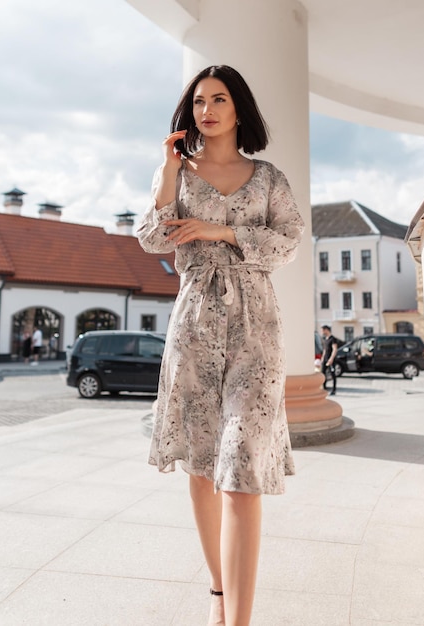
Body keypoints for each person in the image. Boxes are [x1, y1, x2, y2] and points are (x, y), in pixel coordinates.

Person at [137, 65, 304, 626]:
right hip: (195, 325)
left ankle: (239, 620)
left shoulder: (269, 177)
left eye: (220, 98)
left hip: (258, 328)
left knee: (241, 465)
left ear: (239, 109)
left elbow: (288, 243)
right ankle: (218, 591)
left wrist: (223, 231)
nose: (207, 109)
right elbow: (153, 238)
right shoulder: (180, 177)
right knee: (204, 465)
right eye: (199, 101)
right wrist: (166, 172)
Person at [321, 324, 338, 396]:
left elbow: (334, 349)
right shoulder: (326, 339)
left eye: (322, 330)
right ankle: (324, 388)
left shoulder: (333, 339)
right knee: (323, 374)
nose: (322, 332)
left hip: (331, 360)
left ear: (326, 330)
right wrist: (322, 358)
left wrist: (331, 359)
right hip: (325, 359)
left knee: (332, 374)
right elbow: (325, 350)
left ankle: (334, 390)